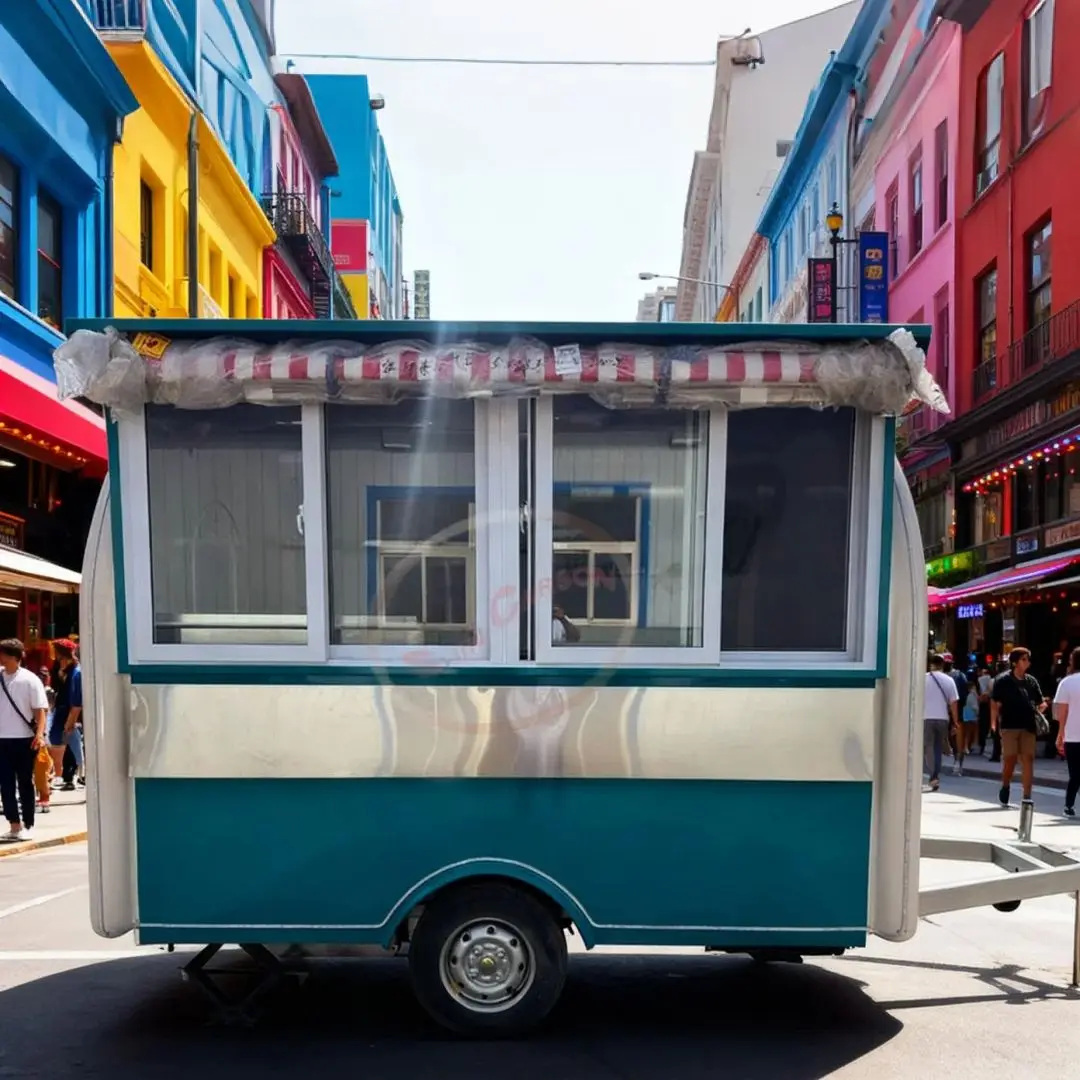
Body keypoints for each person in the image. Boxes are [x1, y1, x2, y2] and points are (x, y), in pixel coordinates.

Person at [0, 638, 49, 843]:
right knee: (5, 784)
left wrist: (40, 734)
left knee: (25, 783)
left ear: (14, 656)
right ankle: (14, 825)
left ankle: (28, 824)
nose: (1, 657)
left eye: (3, 653)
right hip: (2, 739)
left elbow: (40, 710)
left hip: (24, 740)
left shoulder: (30, 680)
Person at [991, 647, 1045, 807]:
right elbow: (995, 703)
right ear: (1014, 662)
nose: (1027, 662)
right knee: (1010, 758)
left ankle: (1027, 795)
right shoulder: (1003, 681)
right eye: (1024, 659)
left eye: (1028, 659)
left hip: (1028, 726)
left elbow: (1041, 702)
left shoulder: (1031, 681)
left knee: (1028, 759)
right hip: (1009, 725)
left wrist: (1040, 709)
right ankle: (1005, 784)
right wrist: (993, 723)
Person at [48, 640, 84, 791]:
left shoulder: (76, 673)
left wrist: (71, 720)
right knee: (65, 744)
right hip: (61, 711)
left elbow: (76, 702)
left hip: (69, 714)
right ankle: (68, 775)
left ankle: (75, 774)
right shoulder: (62, 670)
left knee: (71, 745)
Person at [924, 655, 958, 792]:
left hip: (926, 717)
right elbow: (954, 703)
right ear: (943, 665)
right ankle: (935, 775)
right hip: (943, 718)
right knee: (937, 748)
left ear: (930, 664)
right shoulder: (949, 680)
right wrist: (956, 721)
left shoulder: (923, 679)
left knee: (929, 748)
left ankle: (933, 776)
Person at [1054, 646, 1080, 818]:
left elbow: (1061, 713)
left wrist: (1060, 734)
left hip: (1072, 734)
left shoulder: (1066, 682)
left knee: (1075, 773)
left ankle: (1069, 805)